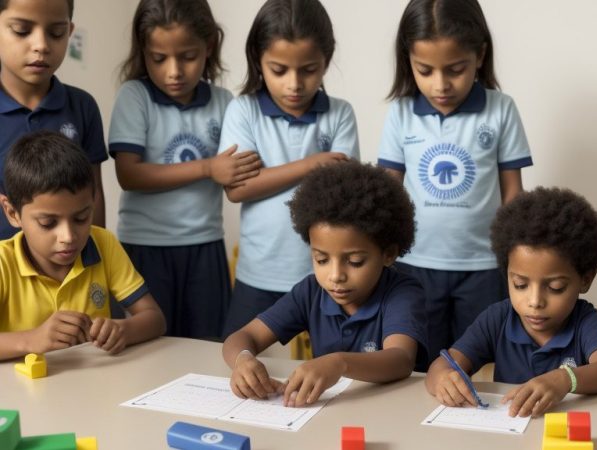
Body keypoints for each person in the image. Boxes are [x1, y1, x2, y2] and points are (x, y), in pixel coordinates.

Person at [377, 0, 533, 358]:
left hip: (482, 266)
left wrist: (513, 257)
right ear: (408, 61)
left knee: (476, 357)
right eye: (425, 70)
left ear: (479, 55)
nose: (441, 84)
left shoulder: (501, 108)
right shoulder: (401, 114)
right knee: (416, 361)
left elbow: (513, 193)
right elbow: (387, 193)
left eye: (455, 69)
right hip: (413, 265)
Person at [224, 161, 427, 407]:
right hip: (330, 411)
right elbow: (243, 336)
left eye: (354, 261)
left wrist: (338, 363)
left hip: (392, 408)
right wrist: (244, 360)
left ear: (388, 254)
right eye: (321, 259)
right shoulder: (310, 292)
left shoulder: (401, 292)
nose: (335, 275)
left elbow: (400, 359)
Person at [110, 0, 257, 339]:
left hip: (205, 247)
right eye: (158, 58)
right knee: (148, 348)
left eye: (187, 57)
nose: (173, 71)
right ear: (143, 52)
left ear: (209, 46)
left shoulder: (224, 102)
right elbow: (129, 175)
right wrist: (207, 167)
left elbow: (237, 173)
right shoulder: (135, 96)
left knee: (205, 347)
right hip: (144, 248)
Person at [220, 0, 359, 337]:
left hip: (325, 277)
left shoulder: (339, 114)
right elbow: (237, 189)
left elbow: (343, 194)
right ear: (258, 60)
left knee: (339, 368)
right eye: (279, 70)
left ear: (326, 59)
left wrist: (265, 177)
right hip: (259, 273)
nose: (294, 84)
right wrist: (312, 164)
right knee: (232, 357)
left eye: (308, 69)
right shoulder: (243, 111)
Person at [425, 187, 597, 418]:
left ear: (585, 280)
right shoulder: (497, 319)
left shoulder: (587, 323)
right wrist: (443, 379)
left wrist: (564, 379)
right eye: (520, 284)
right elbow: (440, 366)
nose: (535, 301)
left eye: (555, 287)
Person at [0, 131, 165, 360]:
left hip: (95, 388)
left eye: (81, 218)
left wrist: (123, 330)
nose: (68, 236)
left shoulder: (102, 243)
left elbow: (154, 318)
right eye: (48, 223)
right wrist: (32, 339)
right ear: (12, 213)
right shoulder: (3, 263)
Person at [0, 0, 107, 239]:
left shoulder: (82, 107)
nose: (41, 46)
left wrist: (95, 259)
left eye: (56, 33)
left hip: (66, 270)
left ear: (69, 31)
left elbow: (93, 193)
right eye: (22, 31)